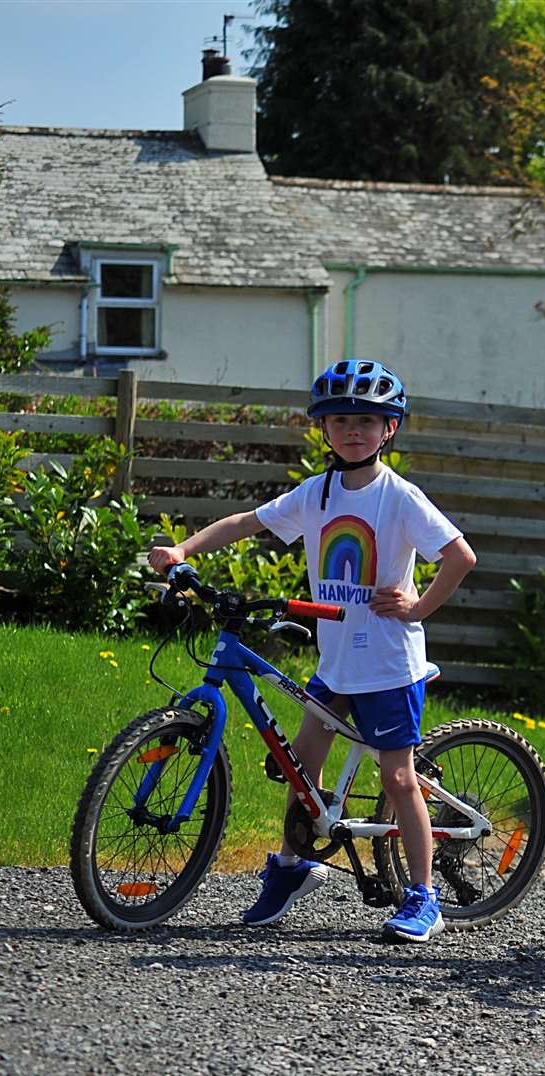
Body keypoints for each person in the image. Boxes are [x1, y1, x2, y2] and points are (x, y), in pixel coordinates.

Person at [147, 359, 477, 943]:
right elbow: (248, 522)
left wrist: (419, 605)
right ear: (323, 429)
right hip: (337, 663)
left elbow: (460, 557)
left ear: (389, 429)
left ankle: (424, 896)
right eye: (342, 420)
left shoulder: (400, 497)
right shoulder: (317, 492)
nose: (355, 431)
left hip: (387, 664)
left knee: (399, 778)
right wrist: (182, 549)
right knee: (301, 770)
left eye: (368, 421)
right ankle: (296, 864)